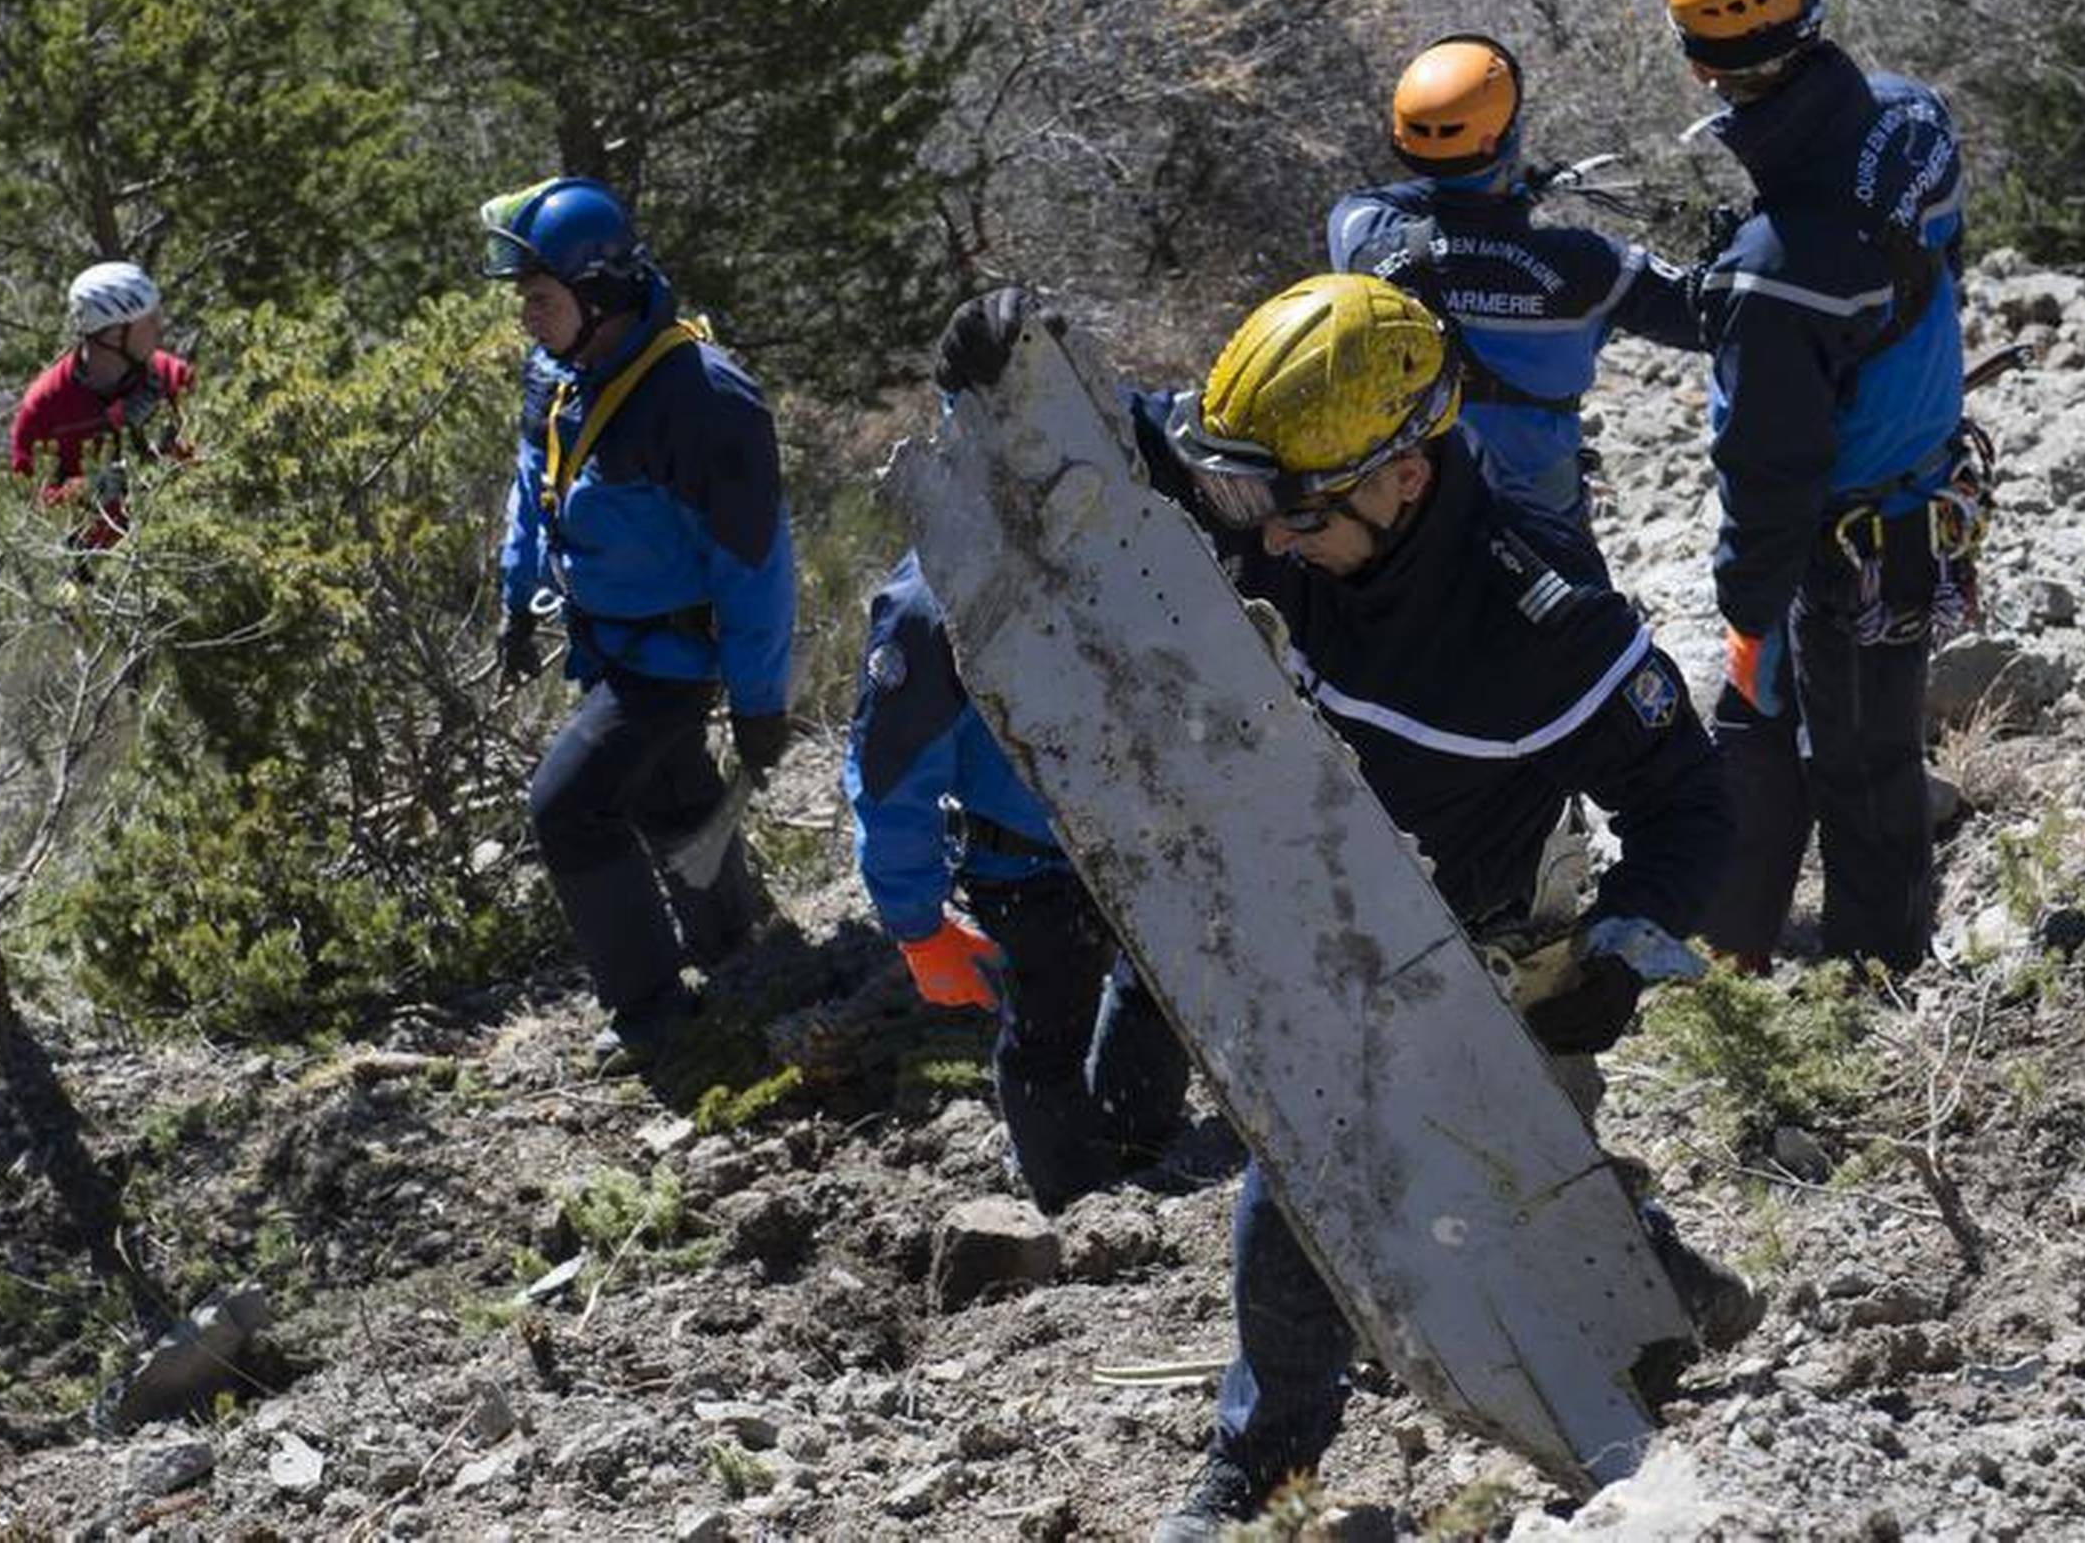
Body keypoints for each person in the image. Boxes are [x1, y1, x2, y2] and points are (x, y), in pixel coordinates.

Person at [932, 276, 1759, 1538]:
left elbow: (1692, 808)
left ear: (1403, 483)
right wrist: (1011, 362)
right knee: (1397, 1168)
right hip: (1305, 897)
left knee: (1322, 1183)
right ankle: (1659, 1276)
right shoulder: (1285, 494)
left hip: (1486, 943)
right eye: (1245, 505)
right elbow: (1146, 443)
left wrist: (1622, 948)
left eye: (1297, 516)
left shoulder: (1547, 623)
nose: (1263, 543)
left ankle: (1261, 1469)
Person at [1660, 0, 1972, 976]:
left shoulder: (1768, 271)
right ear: (1815, 10)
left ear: (1701, 65)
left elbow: (1768, 467)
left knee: (1821, 753)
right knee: (1860, 749)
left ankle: (1854, 982)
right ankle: (1803, 960)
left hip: (1835, 544)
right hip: (1917, 503)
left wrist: (1745, 603)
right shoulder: (1914, 120)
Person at [484, 177, 797, 1068]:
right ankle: (734, 945)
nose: (526, 319)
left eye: (539, 300)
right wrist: (518, 595)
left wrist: (758, 696)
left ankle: (653, 1009)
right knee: (671, 790)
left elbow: (756, 564)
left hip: (672, 659)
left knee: (568, 808)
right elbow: (531, 483)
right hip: (607, 641)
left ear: (600, 292)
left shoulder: (703, 400)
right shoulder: (559, 372)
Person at [843, 550, 1193, 1213]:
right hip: (1026, 869)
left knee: (1159, 988)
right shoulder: (934, 594)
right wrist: (916, 924)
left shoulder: (1130, 529)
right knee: (1047, 1034)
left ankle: (1142, 1144)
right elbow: (892, 774)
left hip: (1146, 840)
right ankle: (1076, 1203)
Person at [1325, 34, 1704, 532]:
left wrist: (1487, 194)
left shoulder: (1363, 240)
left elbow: (1403, 199)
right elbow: (1704, 318)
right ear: (1506, 138)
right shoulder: (1588, 266)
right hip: (1542, 512)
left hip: (1415, 507)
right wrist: (1510, 199)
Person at [9, 261, 196, 557]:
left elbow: (212, 464)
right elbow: (32, 502)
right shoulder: (44, 405)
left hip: (180, 553)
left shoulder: (175, 378)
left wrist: (165, 461)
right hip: (90, 567)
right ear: (112, 335)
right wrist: (90, 487)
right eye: (148, 321)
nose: (159, 327)